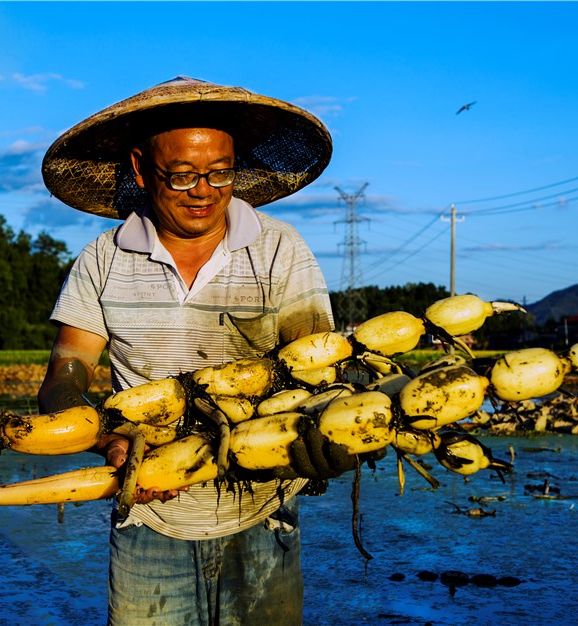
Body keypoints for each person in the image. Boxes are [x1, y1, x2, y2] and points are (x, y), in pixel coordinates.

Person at [37, 77, 354, 625]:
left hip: (263, 512)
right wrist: (106, 436)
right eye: (182, 175)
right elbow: (68, 370)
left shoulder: (280, 249)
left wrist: (331, 436)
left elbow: (321, 371)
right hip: (146, 518)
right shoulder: (102, 261)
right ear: (141, 168)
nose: (203, 191)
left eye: (220, 172)